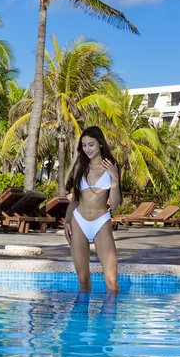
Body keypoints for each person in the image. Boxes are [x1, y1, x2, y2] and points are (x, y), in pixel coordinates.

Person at [65, 126, 122, 294]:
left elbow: (115, 204)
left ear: (100, 144)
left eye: (91, 144)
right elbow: (75, 199)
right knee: (83, 279)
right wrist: (67, 221)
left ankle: (110, 320)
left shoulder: (111, 166)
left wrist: (115, 180)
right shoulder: (80, 167)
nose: (87, 149)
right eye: (84, 145)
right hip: (78, 222)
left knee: (111, 281)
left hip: (101, 222)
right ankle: (82, 319)